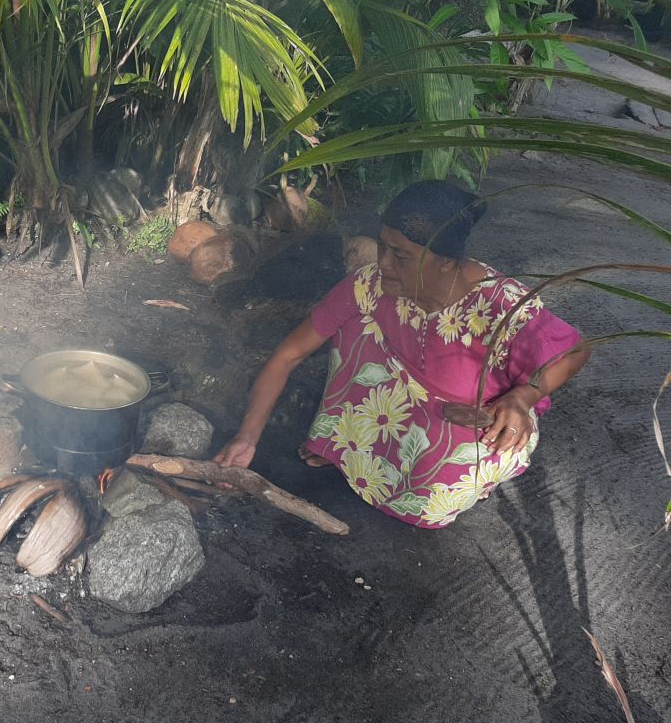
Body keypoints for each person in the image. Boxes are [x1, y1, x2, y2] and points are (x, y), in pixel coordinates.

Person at [214, 180, 589, 528]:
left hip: (472, 415)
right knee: (359, 327)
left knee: (430, 501)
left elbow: (575, 351)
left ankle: (453, 470)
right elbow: (289, 355)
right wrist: (247, 437)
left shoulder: (500, 302)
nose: (384, 264)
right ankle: (348, 443)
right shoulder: (369, 286)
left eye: (401, 255)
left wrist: (522, 397)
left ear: (445, 260)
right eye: (382, 246)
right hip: (399, 401)